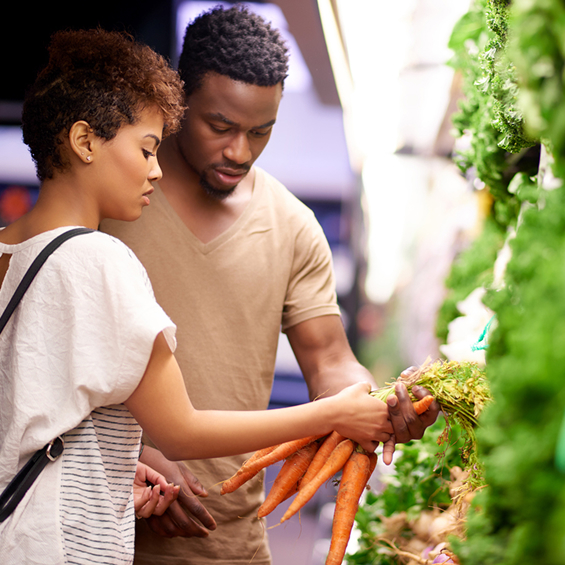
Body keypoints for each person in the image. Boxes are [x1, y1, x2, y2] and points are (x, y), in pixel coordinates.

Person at [0, 28, 396, 565]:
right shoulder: (103, 251)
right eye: (147, 149)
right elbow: (180, 430)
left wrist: (113, 461)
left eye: (262, 131)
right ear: (86, 141)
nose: (240, 150)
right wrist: (328, 416)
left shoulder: (13, 250)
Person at [101, 5, 440, 565]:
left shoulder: (293, 224)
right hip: (105, 533)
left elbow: (330, 360)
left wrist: (374, 404)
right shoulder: (113, 202)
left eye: (261, 132)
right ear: (178, 100)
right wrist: (130, 455)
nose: (240, 152)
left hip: (234, 542)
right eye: (220, 127)